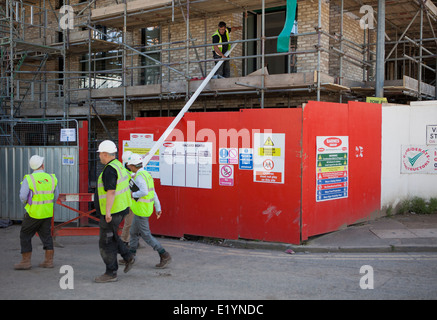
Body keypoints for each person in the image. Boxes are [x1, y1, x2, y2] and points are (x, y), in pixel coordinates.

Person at [95, 140, 135, 283]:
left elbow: (111, 192)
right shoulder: (118, 165)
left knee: (106, 242)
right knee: (112, 237)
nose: (99, 156)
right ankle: (128, 256)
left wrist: (107, 212)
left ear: (105, 154)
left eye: (100, 153)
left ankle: (111, 272)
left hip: (113, 211)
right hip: (121, 208)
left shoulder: (109, 169)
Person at [126, 154, 171, 269]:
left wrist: (132, 194)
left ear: (132, 165)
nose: (129, 167)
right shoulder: (146, 174)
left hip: (142, 210)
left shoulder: (140, 176)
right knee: (133, 232)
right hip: (142, 210)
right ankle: (130, 257)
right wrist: (158, 207)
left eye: (129, 165)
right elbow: (153, 193)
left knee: (146, 235)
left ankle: (164, 254)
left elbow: (145, 192)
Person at [14, 155, 59, 270]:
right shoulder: (51, 178)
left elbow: (23, 196)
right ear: (42, 165)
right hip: (47, 212)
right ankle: (49, 261)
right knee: (46, 236)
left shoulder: (29, 179)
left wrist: (28, 203)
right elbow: (56, 195)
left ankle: (26, 262)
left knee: (25, 235)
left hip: (33, 213)